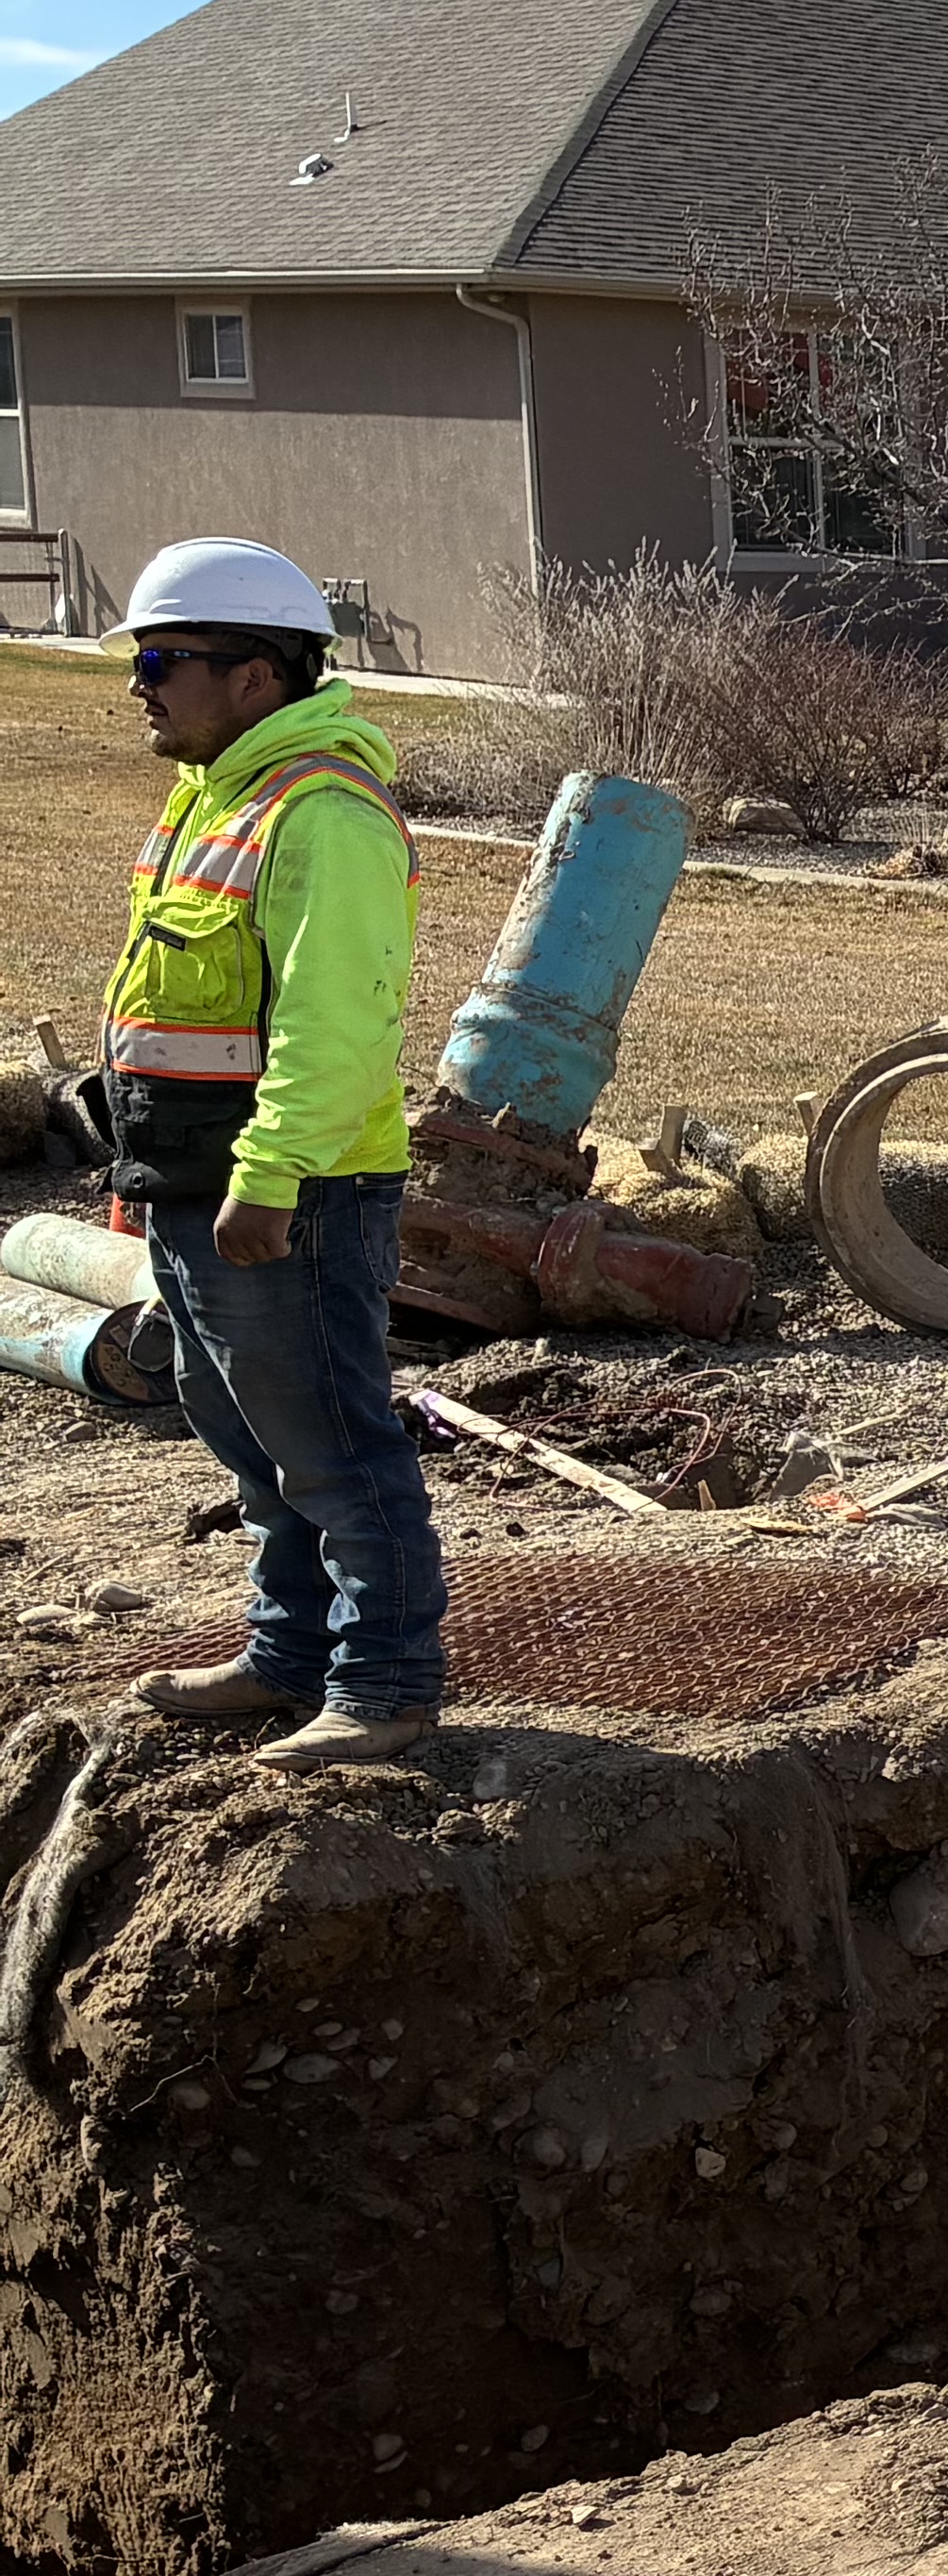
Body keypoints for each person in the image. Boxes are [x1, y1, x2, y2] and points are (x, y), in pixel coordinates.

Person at [102, 537, 446, 1770]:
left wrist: (270, 1176)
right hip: (201, 1184)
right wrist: (146, 1173)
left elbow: (338, 1026)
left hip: (295, 1189)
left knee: (333, 1439)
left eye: (163, 659)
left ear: (254, 676)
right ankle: (289, 1653)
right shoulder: (218, 799)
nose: (142, 682)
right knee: (245, 1428)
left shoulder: (324, 814)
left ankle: (388, 1682)